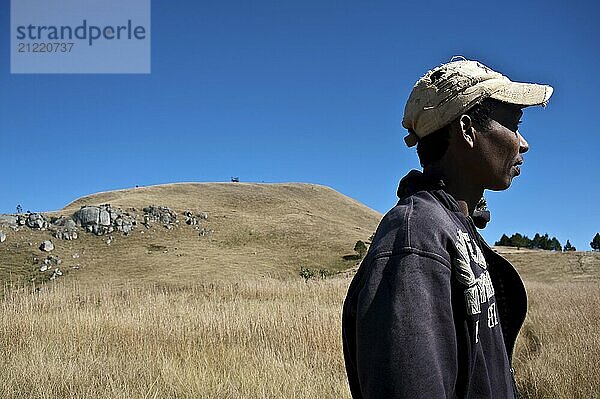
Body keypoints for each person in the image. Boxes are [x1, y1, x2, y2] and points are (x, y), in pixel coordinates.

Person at [342, 59, 553, 398]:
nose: (522, 143)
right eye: (514, 125)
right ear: (467, 130)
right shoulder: (415, 239)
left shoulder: (451, 229)